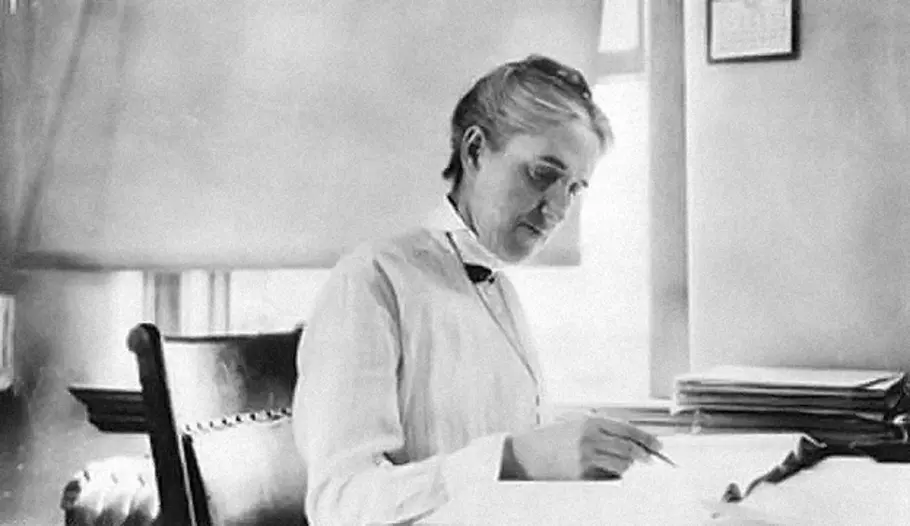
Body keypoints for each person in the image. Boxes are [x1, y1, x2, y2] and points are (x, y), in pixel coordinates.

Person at [292, 54, 663, 525]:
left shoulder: (500, 291)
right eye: (543, 174)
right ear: (475, 152)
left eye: (573, 189)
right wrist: (513, 459)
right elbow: (339, 505)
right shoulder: (371, 281)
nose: (556, 211)